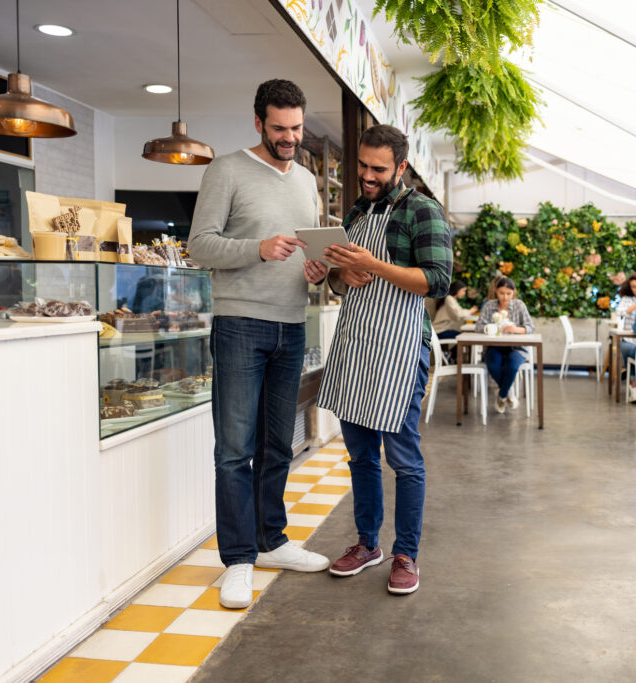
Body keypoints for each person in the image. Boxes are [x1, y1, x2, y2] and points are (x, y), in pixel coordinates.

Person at [187, 79, 331, 610]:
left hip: (292, 324)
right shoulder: (225, 170)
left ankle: (273, 541)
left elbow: (306, 252)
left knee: (278, 445)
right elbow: (200, 245)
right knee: (234, 451)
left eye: (296, 129)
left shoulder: (308, 180)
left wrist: (316, 270)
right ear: (258, 124)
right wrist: (259, 247)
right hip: (240, 325)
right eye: (279, 129)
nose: (289, 138)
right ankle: (239, 559)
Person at [303, 124, 452, 595]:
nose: (367, 176)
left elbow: (436, 281)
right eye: (362, 166)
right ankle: (368, 544)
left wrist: (375, 265)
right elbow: (343, 284)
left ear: (401, 168)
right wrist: (334, 272)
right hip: (356, 348)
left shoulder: (423, 211)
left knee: (404, 460)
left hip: (399, 349)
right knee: (361, 457)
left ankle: (406, 554)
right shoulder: (358, 210)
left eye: (378, 169)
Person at [474, 277, 535, 414]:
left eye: (508, 293)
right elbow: (478, 327)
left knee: (512, 365)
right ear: (496, 291)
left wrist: (516, 329)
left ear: (513, 292)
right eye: (502, 293)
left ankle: (501, 396)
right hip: (494, 347)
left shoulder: (519, 305)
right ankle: (509, 391)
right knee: (493, 365)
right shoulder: (489, 305)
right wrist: (491, 328)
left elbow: (530, 327)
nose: (505, 297)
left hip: (516, 347)